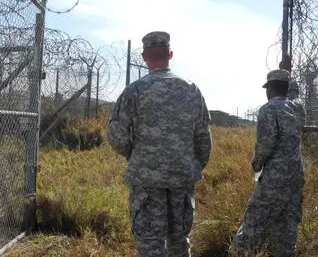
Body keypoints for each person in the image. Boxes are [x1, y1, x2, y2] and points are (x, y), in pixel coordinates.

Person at [107, 31, 212, 257]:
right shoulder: (191, 90)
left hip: (146, 180)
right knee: (179, 242)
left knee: (150, 245)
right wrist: (190, 163)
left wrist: (135, 155)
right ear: (170, 55)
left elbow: (116, 134)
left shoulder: (134, 91)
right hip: (181, 179)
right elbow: (203, 138)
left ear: (145, 57)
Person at [229, 69, 305, 257]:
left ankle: (239, 253)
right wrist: (288, 72)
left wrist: (256, 163)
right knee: (286, 227)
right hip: (295, 177)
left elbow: (265, 143)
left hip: (274, 179)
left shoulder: (268, 109)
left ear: (270, 88)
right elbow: (295, 93)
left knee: (253, 224)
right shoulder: (297, 108)